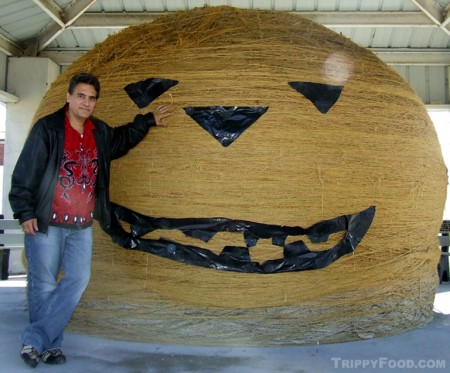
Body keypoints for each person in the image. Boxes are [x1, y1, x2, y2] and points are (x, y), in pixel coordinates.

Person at [9, 72, 172, 368]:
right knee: (43, 285)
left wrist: (147, 121)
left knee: (78, 280)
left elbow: (121, 140)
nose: (86, 102)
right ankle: (48, 347)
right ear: (69, 97)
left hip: (81, 225)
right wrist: (25, 212)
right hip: (47, 222)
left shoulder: (99, 132)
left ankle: (35, 340)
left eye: (91, 98)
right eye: (81, 96)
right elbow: (24, 173)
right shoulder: (47, 130)